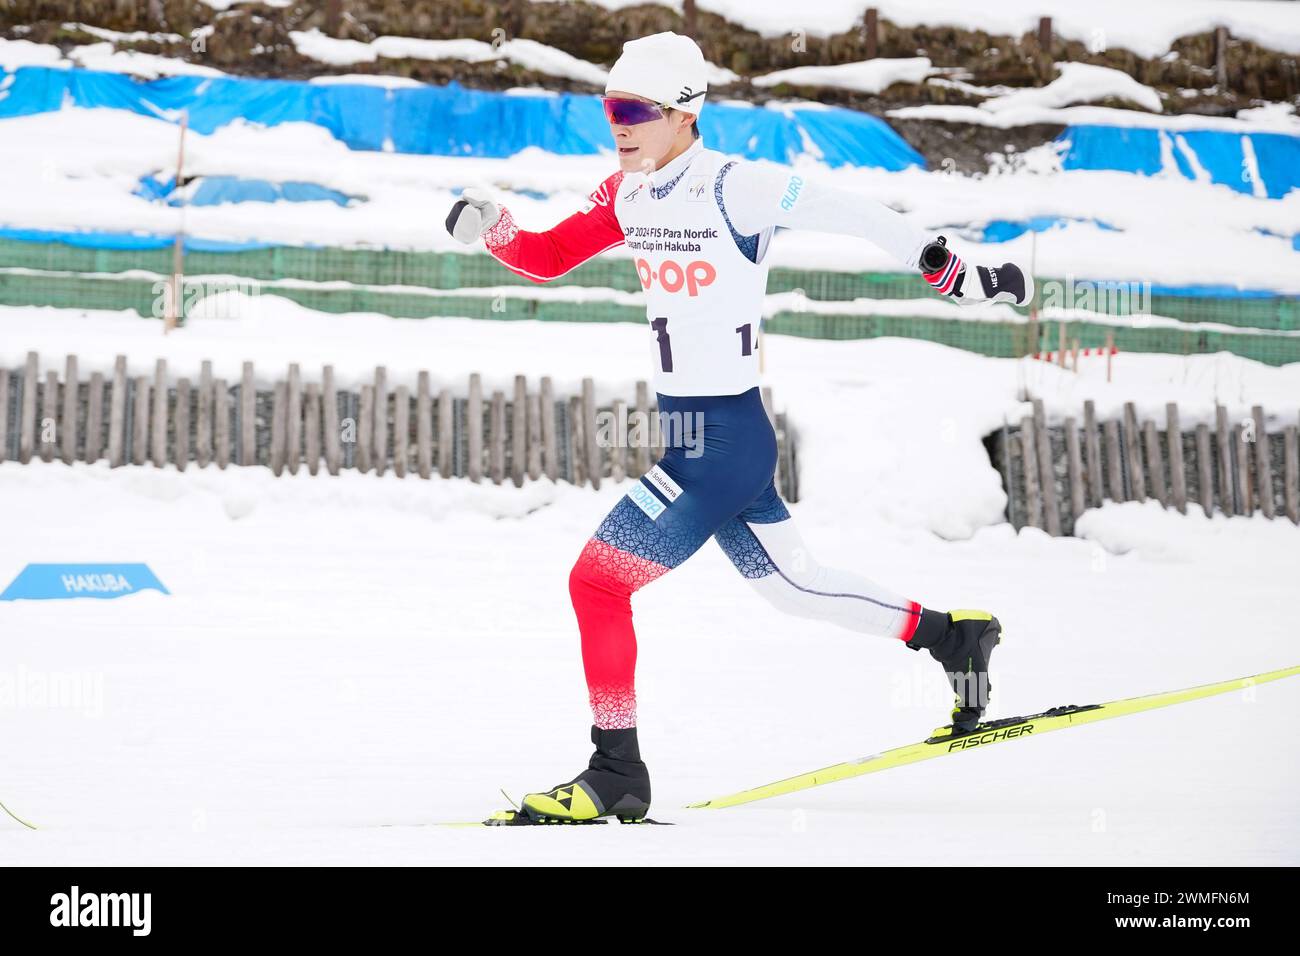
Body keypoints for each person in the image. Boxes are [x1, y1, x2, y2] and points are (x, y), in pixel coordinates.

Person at [446, 32, 1017, 824]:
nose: (619, 124)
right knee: (794, 588)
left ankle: (616, 771)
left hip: (721, 443)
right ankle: (953, 639)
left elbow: (846, 209)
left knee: (597, 583)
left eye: (636, 109)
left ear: (685, 113)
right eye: (610, 108)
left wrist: (948, 267)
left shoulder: (733, 187)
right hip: (701, 437)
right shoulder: (627, 193)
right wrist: (498, 228)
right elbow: (546, 258)